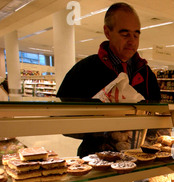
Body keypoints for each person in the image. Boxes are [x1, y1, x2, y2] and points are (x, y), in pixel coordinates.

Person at [56, 2, 161, 157]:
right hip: (97, 159)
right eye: (125, 34)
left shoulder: (145, 73)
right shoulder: (85, 69)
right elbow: (62, 120)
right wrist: (101, 129)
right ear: (107, 32)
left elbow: (158, 116)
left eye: (136, 34)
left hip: (138, 158)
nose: (132, 41)